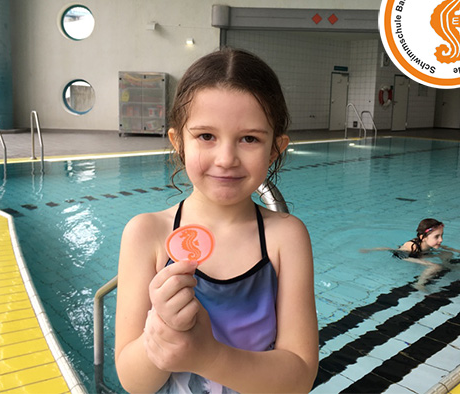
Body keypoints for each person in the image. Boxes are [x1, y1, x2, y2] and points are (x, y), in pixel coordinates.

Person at [115, 48, 319, 393]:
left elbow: (299, 378)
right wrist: (161, 329)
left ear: (275, 149)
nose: (226, 159)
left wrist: (209, 356)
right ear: (178, 142)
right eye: (206, 136)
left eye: (249, 139)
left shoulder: (286, 237)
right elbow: (133, 382)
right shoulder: (147, 234)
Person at [360, 219, 460, 290]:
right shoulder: (411, 246)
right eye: (437, 237)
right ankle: (419, 284)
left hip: (421, 254)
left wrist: (459, 251)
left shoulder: (429, 243)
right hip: (404, 255)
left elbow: (444, 247)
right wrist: (370, 250)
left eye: (441, 236)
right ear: (423, 238)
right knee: (435, 266)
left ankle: (448, 266)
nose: (440, 240)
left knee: (447, 254)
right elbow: (391, 249)